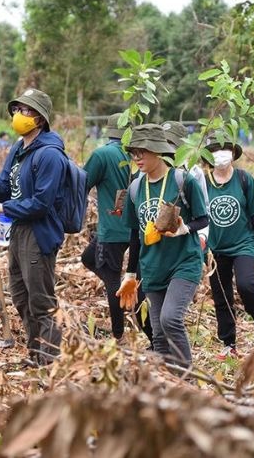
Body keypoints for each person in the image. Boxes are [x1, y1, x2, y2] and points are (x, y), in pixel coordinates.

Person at [0, 88, 67, 366]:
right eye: (18, 110)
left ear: (41, 119)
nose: (20, 116)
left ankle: (50, 363)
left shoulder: (50, 155)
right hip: (19, 230)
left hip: (40, 232)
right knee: (21, 297)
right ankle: (36, 355)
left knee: (42, 302)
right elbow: (4, 190)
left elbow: (42, 203)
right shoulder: (18, 150)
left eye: (27, 111)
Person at [116, 124, 208, 368]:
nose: (137, 158)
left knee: (170, 319)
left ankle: (186, 379)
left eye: (142, 152)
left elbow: (203, 218)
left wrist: (184, 228)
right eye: (133, 153)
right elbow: (135, 234)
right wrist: (130, 274)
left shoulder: (182, 180)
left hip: (183, 263)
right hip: (152, 267)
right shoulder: (136, 187)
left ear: (158, 151)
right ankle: (169, 385)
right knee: (158, 333)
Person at [81, 113, 152, 345]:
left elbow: (83, 182)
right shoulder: (130, 155)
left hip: (110, 229)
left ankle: (118, 335)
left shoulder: (102, 154)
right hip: (130, 228)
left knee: (112, 279)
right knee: (88, 257)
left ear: (107, 130)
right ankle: (124, 286)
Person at [202, 140, 254, 360]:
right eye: (214, 150)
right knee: (221, 295)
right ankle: (228, 344)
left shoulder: (244, 179)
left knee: (246, 283)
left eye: (225, 149)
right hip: (214, 249)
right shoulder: (202, 182)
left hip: (243, 243)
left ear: (233, 153)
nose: (221, 154)